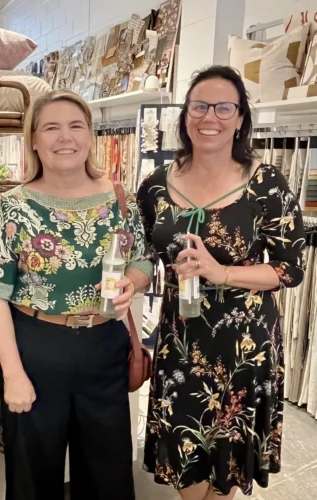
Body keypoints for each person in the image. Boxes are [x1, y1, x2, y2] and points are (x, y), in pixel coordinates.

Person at [137, 65, 305, 499]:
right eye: (199, 106)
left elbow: (290, 268)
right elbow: (143, 256)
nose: (209, 117)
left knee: (224, 471)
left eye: (224, 107)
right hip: (181, 341)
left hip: (244, 345)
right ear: (185, 114)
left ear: (241, 118)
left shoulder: (266, 184)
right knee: (187, 467)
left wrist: (223, 273)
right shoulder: (155, 186)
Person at [0, 89, 153, 500]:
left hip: (104, 346)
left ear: (90, 136)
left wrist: (132, 281)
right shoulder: (14, 207)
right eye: (51, 128)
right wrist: (13, 374)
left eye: (76, 126)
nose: (65, 137)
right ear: (34, 140)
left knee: (108, 475)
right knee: (32, 475)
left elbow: (143, 260)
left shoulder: (120, 199)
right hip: (36, 350)